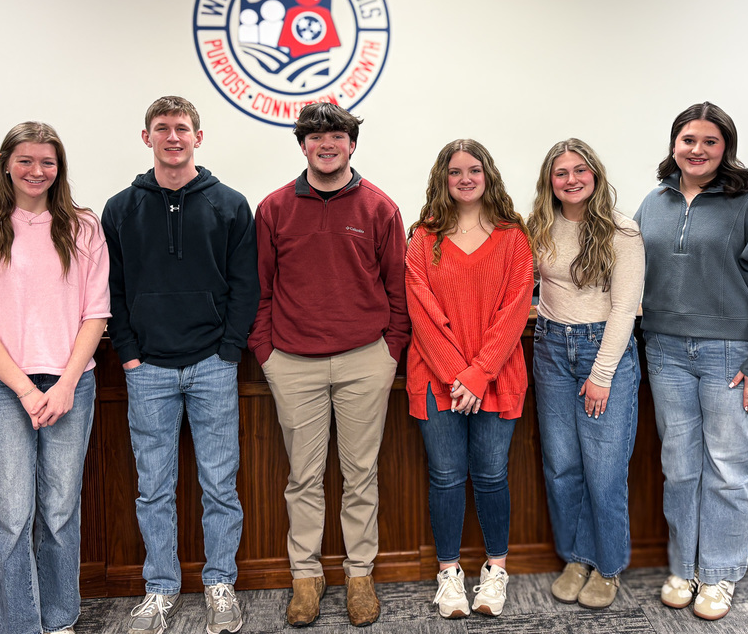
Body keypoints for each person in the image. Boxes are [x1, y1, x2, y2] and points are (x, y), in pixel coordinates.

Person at [102, 96, 259, 634]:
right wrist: (127, 352)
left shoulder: (231, 204)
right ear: (146, 137)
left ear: (199, 136)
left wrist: (230, 349)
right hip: (147, 370)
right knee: (154, 487)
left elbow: (246, 286)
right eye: (162, 128)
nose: (173, 137)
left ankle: (221, 584)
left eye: (182, 128)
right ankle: (161, 589)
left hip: (213, 364)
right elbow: (113, 289)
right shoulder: (120, 208)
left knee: (220, 484)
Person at [249, 102, 410, 628]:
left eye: (336, 136)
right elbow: (261, 289)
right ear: (302, 146)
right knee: (304, 477)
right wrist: (267, 354)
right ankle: (306, 576)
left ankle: (359, 575)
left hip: (366, 360)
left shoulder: (379, 208)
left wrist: (390, 352)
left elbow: (397, 289)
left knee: (361, 474)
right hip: (293, 362)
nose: (326, 144)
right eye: (315, 136)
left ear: (351, 144)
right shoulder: (274, 208)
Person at [635, 102, 748, 621]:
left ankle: (721, 573)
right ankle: (684, 565)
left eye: (710, 141)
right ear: (674, 145)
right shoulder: (654, 202)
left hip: (732, 354)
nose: (697, 150)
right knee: (680, 467)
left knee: (728, 467)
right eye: (688, 140)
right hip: (664, 350)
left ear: (725, 147)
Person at [0, 122, 110, 634]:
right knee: (9, 517)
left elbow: (96, 313)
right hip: (0, 388)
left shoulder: (83, 226)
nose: (36, 171)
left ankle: (61, 619)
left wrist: (65, 383)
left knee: (61, 510)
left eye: (47, 162)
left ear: (58, 168)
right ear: (6, 164)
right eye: (25, 160)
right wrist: (25, 388)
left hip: (72, 384)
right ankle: (17, 627)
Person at [405, 139, 533, 619]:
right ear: (442, 178)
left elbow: (515, 310)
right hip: (438, 378)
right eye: (454, 171)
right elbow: (422, 312)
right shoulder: (423, 236)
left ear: (487, 176)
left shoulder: (513, 236)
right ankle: (449, 575)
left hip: (496, 377)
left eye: (473, 170)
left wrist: (478, 375)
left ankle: (495, 570)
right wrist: (459, 376)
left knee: (492, 474)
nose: (464, 178)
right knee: (444, 476)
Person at [526, 138, 644, 609]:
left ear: (594, 174)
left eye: (580, 170)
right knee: (561, 466)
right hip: (551, 348)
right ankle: (576, 557)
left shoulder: (622, 231)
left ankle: (608, 566)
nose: (571, 180)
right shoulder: (539, 226)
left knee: (605, 469)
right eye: (561, 173)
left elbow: (624, 310)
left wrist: (601, 374)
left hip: (604, 350)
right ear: (549, 182)